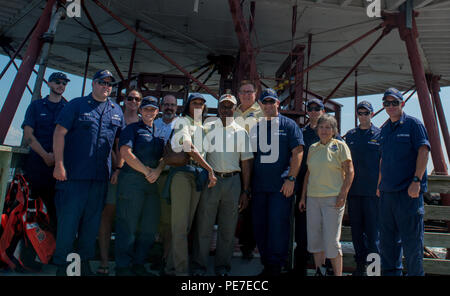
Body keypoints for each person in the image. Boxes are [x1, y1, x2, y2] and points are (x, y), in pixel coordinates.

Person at [52, 70, 124, 276]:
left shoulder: (116, 110)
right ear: (93, 84)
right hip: (73, 176)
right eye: (102, 82)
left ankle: (81, 265)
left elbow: (118, 144)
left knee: (91, 226)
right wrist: (59, 164)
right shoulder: (76, 105)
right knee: (68, 224)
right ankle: (64, 268)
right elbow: (59, 133)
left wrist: (118, 168)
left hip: (99, 179)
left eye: (110, 84)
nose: (106, 87)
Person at [192, 94, 253, 276]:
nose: (226, 109)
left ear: (235, 109)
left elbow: (246, 163)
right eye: (223, 106)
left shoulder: (242, 132)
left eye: (230, 106)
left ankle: (222, 267)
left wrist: (245, 190)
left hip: (233, 181)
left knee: (228, 227)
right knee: (204, 225)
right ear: (218, 108)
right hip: (212, 181)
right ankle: (199, 266)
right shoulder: (207, 128)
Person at [250, 88, 304, 276]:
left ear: (278, 104)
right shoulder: (255, 127)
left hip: (280, 188)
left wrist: (291, 178)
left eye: (272, 101)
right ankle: (267, 265)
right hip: (259, 187)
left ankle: (276, 266)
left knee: (278, 227)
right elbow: (249, 158)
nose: (268, 105)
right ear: (260, 105)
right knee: (260, 227)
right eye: (265, 102)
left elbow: (298, 151)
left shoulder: (289, 125)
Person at [377, 87, 430, 276]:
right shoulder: (384, 130)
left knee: (412, 245)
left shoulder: (414, 124)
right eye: (387, 103)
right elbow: (383, 158)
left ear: (403, 104)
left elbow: (424, 151)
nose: (390, 106)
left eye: (394, 103)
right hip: (387, 195)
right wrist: (379, 184)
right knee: (388, 244)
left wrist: (416, 180)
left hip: (408, 194)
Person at [163, 93, 217, 276]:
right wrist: (210, 169)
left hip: (197, 177)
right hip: (182, 175)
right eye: (195, 102)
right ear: (188, 105)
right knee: (179, 227)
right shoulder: (182, 122)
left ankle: (170, 267)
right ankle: (181, 272)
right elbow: (188, 147)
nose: (198, 106)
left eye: (202, 103)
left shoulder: (202, 127)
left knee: (185, 227)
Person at [114, 96, 165, 276]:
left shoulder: (159, 133)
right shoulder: (132, 129)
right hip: (132, 182)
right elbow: (125, 153)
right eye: (146, 109)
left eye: (153, 109)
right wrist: (146, 171)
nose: (149, 112)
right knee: (127, 226)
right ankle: (122, 267)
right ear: (140, 111)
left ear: (157, 112)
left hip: (151, 185)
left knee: (149, 227)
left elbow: (164, 157)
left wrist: (157, 171)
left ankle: (139, 264)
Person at [299, 113, 354, 276]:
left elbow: (350, 171)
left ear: (334, 130)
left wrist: (343, 194)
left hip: (333, 198)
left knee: (331, 241)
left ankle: (337, 274)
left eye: (328, 127)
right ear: (317, 130)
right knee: (315, 239)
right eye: (321, 127)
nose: (324, 130)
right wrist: (303, 197)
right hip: (313, 198)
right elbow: (308, 174)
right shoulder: (313, 148)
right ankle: (319, 271)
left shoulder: (340, 146)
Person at [96, 88, 142, 276]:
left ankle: (127, 261)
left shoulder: (144, 122)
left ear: (140, 102)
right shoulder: (115, 116)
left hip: (134, 177)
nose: (133, 101)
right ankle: (105, 260)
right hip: (114, 174)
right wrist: (117, 167)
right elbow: (110, 144)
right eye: (129, 98)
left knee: (129, 220)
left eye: (136, 99)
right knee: (107, 215)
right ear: (124, 100)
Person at [293, 98, 342, 276]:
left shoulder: (332, 135)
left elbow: (346, 166)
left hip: (328, 190)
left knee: (328, 234)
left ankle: (327, 268)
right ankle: (301, 268)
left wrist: (343, 192)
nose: (313, 111)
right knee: (303, 233)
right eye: (310, 108)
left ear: (323, 111)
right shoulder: (301, 132)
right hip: (306, 189)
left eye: (317, 108)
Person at [21, 72, 69, 228]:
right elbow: (28, 134)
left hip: (58, 170)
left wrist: (55, 157)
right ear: (49, 84)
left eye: (64, 83)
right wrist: (45, 156)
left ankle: (50, 249)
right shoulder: (35, 106)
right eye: (57, 82)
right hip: (36, 167)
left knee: (56, 213)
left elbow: (70, 136)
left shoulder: (68, 108)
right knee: (30, 212)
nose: (61, 85)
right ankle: (28, 249)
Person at [343, 101, 381, 276]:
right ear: (357, 114)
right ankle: (360, 269)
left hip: (373, 194)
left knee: (374, 236)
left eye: (366, 113)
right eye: (360, 113)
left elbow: (385, 164)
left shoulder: (381, 135)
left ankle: (374, 271)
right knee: (356, 235)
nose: (363, 116)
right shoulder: (350, 136)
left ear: (372, 114)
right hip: (354, 193)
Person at [233, 80, 263, 260]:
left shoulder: (262, 113)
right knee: (237, 204)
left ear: (255, 93)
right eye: (243, 91)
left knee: (252, 206)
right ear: (238, 94)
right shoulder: (232, 112)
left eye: (249, 92)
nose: (246, 94)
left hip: (255, 162)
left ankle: (248, 245)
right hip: (235, 162)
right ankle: (236, 240)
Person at [153, 94, 178, 271]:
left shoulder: (182, 125)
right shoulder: (153, 124)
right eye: (166, 104)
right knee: (154, 220)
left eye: (172, 105)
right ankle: (153, 255)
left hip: (171, 177)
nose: (169, 107)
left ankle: (166, 259)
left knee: (169, 221)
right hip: (151, 177)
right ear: (161, 106)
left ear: (177, 107)